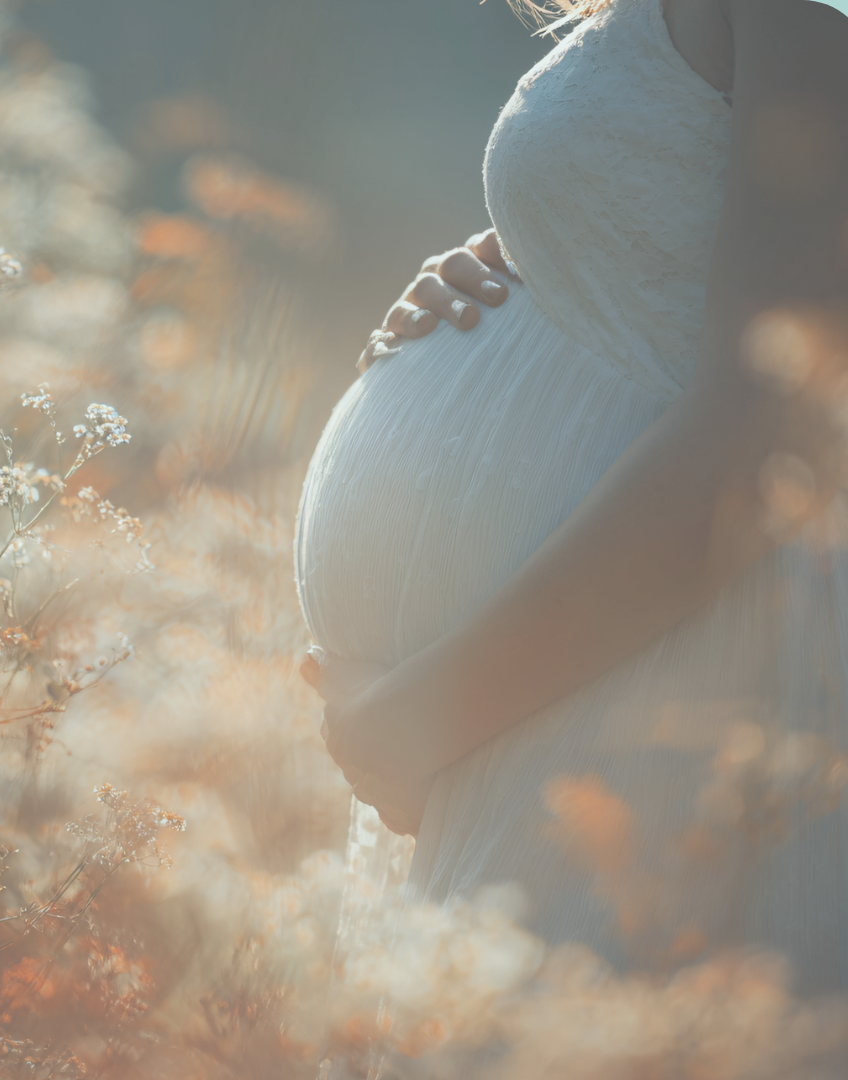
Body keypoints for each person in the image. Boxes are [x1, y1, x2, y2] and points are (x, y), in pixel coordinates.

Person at [294, 0, 848, 1002]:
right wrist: (536, 254)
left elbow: (755, 447)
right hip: (558, 701)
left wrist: (417, 720)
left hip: (643, 693)